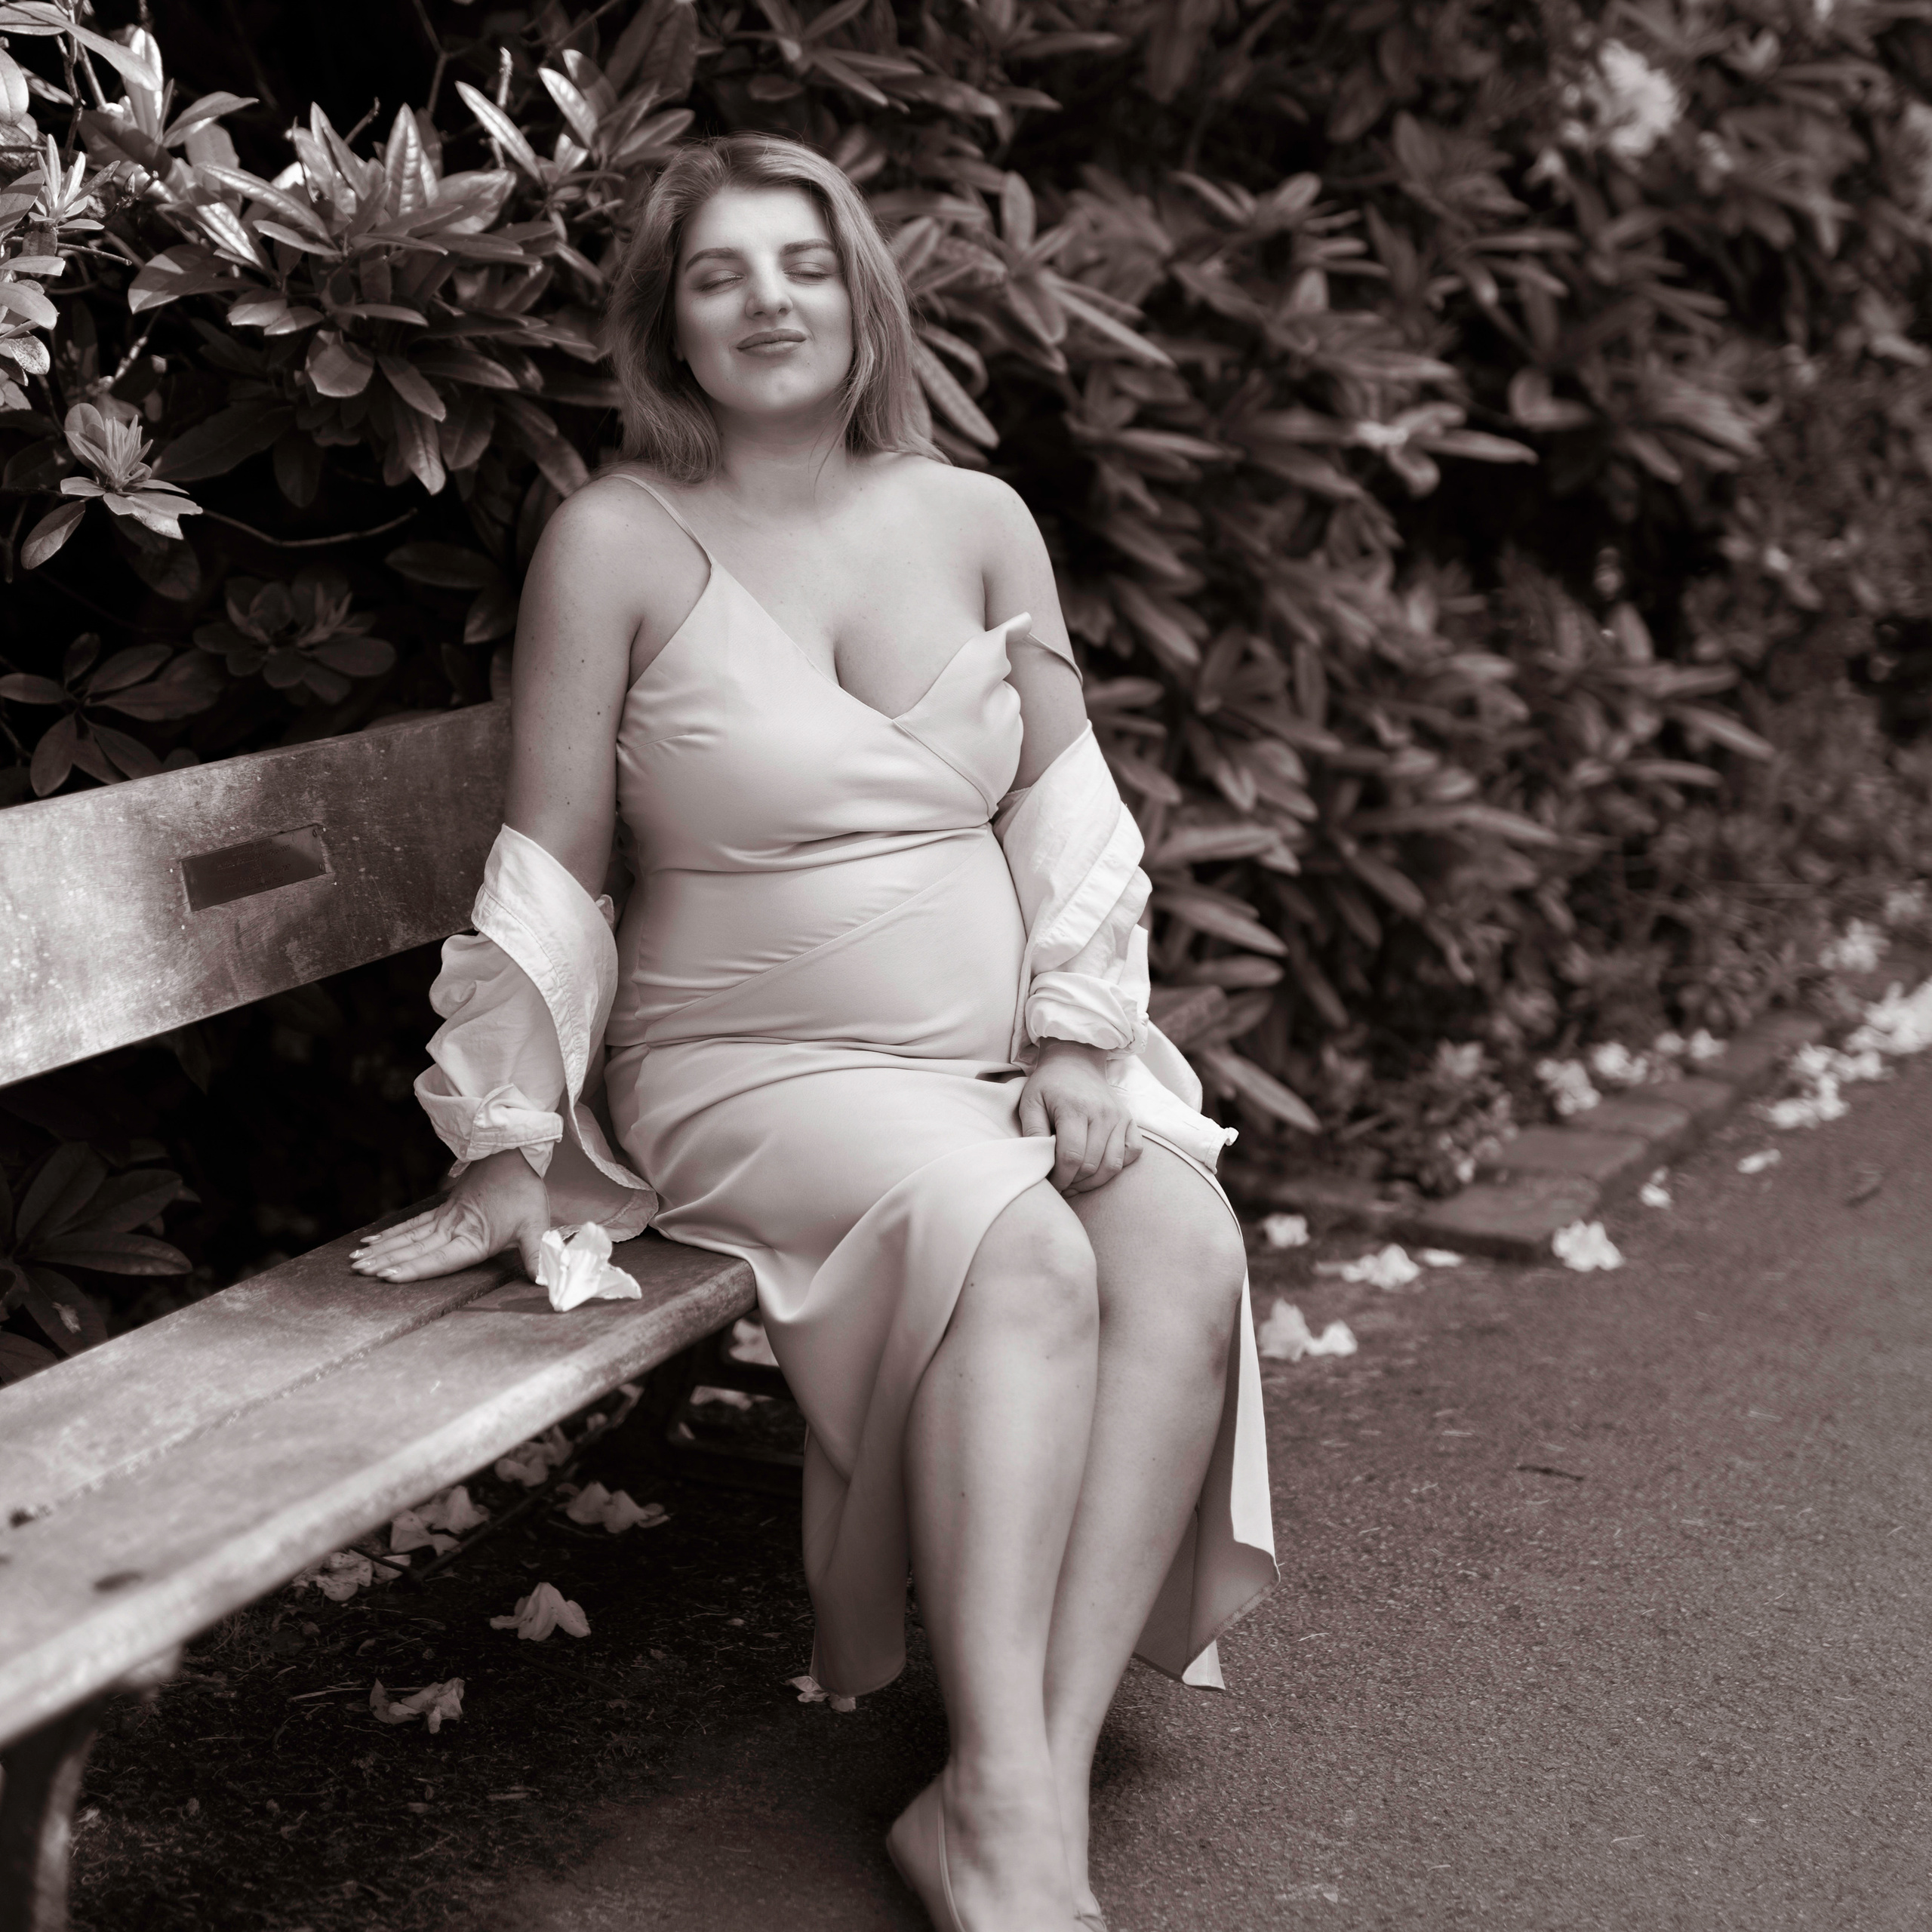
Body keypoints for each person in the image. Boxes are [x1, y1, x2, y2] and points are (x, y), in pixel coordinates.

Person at [350, 133, 1275, 1932]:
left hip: (987, 1064)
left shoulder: (979, 516)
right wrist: (506, 1141)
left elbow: (1065, 809)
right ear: (667, 328)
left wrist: (1084, 1042)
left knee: (1177, 1241)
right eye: (717, 274)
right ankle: (1012, 1833)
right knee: (1018, 1251)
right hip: (745, 1069)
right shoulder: (618, 537)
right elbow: (551, 856)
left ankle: (1013, 1785)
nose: (766, 299)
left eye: (799, 262)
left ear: (861, 296)